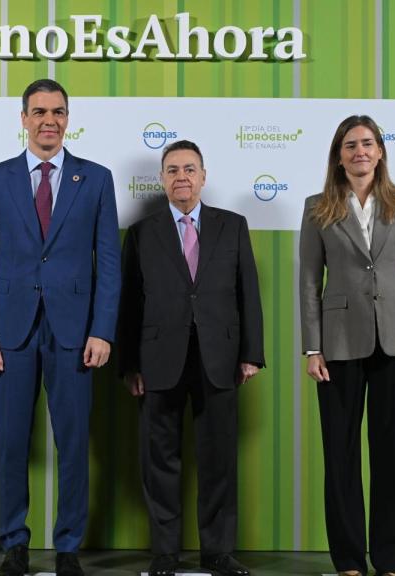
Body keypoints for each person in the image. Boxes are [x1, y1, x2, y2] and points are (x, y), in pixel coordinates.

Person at [0, 78, 121, 576]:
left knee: (73, 443)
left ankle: (68, 546)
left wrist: (103, 331)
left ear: (68, 118)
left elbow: (109, 263)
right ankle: (14, 543)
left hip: (75, 332)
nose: (48, 121)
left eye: (57, 112)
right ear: (23, 119)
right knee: (11, 442)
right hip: (9, 333)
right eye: (38, 112)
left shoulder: (95, 179)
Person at [118, 140, 264, 576]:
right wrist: (129, 364)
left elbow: (248, 294)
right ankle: (165, 552)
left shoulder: (233, 225)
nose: (181, 177)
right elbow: (129, 303)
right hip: (158, 359)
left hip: (220, 358)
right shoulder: (142, 232)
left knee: (218, 459)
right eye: (172, 170)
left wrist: (251, 354)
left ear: (203, 176)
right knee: (158, 459)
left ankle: (217, 550)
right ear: (162, 179)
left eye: (189, 169)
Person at [299, 115, 395, 576]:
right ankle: (349, 561)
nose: (360, 151)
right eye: (350, 144)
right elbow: (307, 282)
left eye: (368, 143)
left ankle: (393, 559)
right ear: (339, 155)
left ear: (380, 151)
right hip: (337, 344)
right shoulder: (317, 207)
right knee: (340, 455)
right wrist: (312, 349)